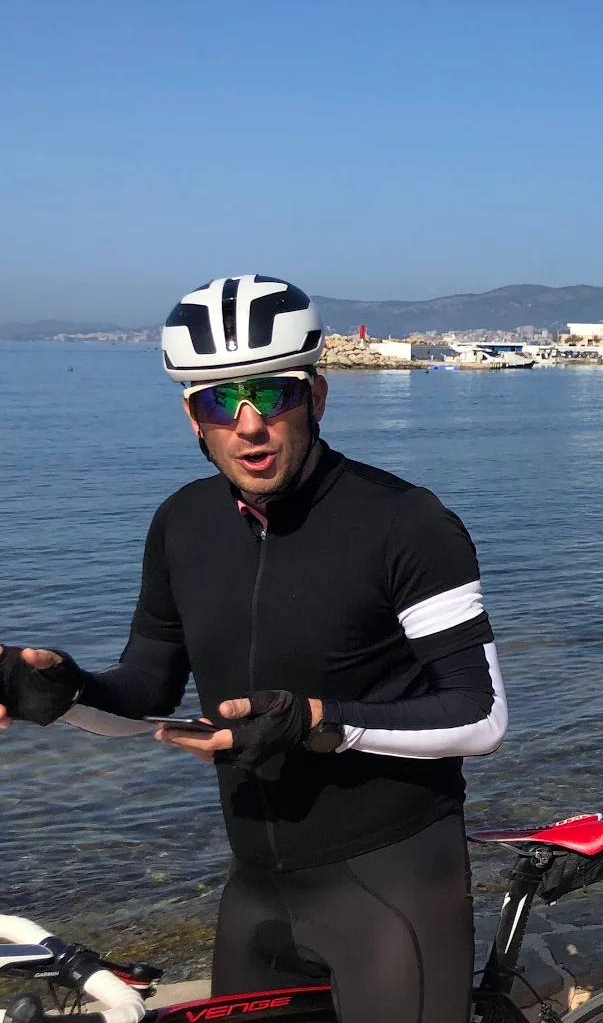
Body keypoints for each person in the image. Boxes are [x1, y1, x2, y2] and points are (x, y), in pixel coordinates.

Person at [0, 275, 507, 1023]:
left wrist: (317, 721)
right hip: (258, 889)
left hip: (396, 880)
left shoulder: (408, 523)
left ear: (316, 398)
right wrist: (61, 693)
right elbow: (145, 690)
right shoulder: (182, 524)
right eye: (219, 402)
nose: (249, 426)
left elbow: (480, 715)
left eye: (271, 395)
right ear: (192, 418)